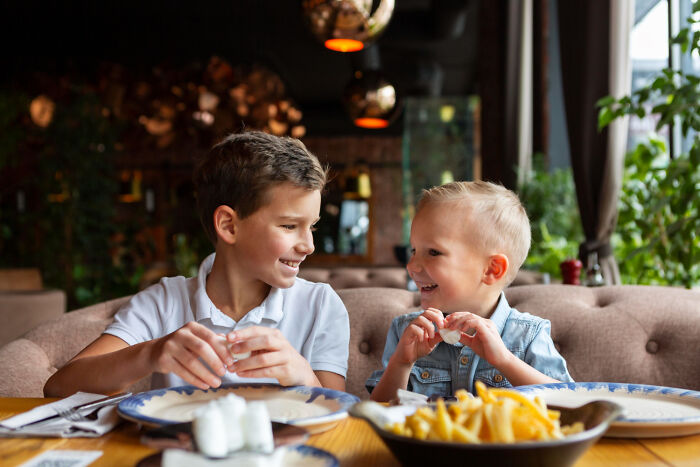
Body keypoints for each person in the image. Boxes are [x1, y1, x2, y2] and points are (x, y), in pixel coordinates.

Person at [45, 131, 350, 397]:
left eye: (312, 227)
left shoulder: (321, 305)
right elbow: (59, 387)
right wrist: (150, 353)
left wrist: (302, 374)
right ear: (229, 226)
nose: (308, 246)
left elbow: (340, 417)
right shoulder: (164, 302)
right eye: (288, 226)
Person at [366, 181, 572, 402]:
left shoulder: (528, 336)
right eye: (414, 250)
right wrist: (401, 363)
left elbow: (569, 402)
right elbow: (376, 412)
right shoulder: (406, 332)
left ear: (492, 269)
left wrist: (504, 361)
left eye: (433, 252)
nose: (412, 265)